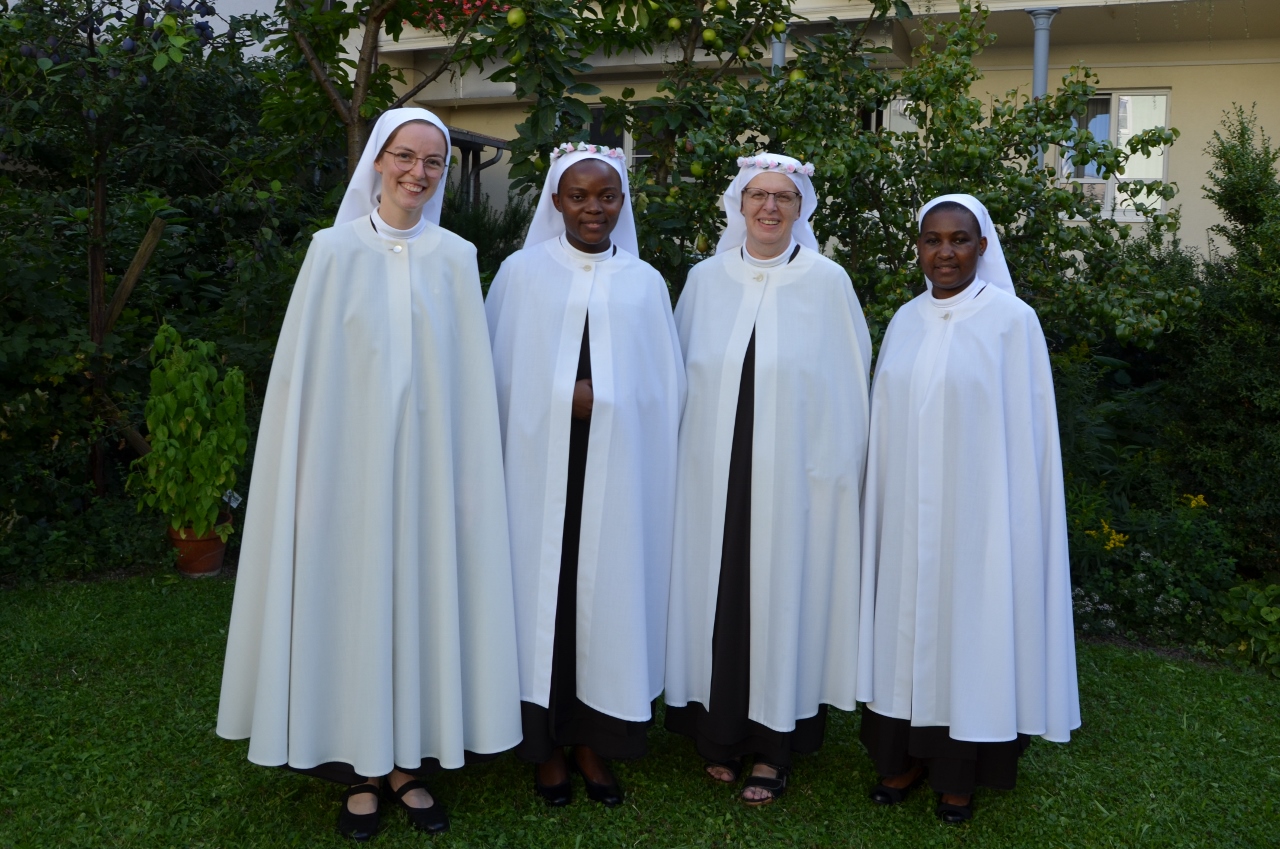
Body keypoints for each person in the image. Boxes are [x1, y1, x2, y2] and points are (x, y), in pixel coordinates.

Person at [216, 108, 522, 841]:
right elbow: (304, 377)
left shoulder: (456, 257)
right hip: (346, 473)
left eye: (433, 162)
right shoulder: (332, 250)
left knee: (417, 599)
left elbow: (468, 383)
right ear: (379, 161)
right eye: (405, 157)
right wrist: (308, 477)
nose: (419, 172)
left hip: (428, 476)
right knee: (354, 601)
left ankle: (407, 763)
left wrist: (467, 481)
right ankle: (360, 765)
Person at [855, 193, 1081, 824]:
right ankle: (903, 757)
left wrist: (1011, 518)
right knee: (906, 628)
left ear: (983, 246)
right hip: (908, 517)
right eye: (932, 240)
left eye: (959, 240)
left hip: (980, 518)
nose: (945, 252)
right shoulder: (906, 319)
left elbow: (1029, 435)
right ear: (918, 248)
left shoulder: (1012, 321)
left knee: (970, 632)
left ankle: (959, 774)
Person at [664, 153, 872, 805]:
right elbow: (677, 379)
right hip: (715, 481)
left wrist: (834, 473)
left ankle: (774, 748)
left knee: (782, 598)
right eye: (758, 194)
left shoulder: (827, 282)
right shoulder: (706, 280)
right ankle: (719, 734)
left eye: (784, 196)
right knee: (721, 597)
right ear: (739, 202)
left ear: (801, 207)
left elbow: (848, 387)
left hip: (794, 483)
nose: (770, 207)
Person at [486, 141, 685, 808]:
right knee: (546, 597)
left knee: (602, 597)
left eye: (606, 196)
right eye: (579, 196)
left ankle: (593, 741)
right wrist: (559, 397)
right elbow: (494, 376)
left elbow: (666, 387)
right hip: (537, 473)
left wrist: (615, 399)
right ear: (556, 200)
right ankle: (544, 747)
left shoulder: (644, 282)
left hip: (617, 474)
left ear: (622, 202)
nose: (593, 208)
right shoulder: (520, 274)